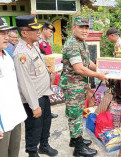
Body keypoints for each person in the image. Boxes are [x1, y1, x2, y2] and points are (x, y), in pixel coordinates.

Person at [59, 17, 107, 157]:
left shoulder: (81, 43)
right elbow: (80, 68)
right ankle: (78, 149)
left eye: (87, 28)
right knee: (75, 116)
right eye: (81, 27)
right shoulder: (72, 44)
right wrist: (98, 75)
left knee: (78, 113)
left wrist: (103, 68)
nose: (85, 30)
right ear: (74, 28)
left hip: (78, 85)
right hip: (73, 86)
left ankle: (75, 140)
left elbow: (87, 62)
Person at [13, 15, 58, 157]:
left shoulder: (32, 46)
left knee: (45, 123)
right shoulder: (21, 53)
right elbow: (24, 82)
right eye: (35, 29)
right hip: (33, 98)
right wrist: (34, 105)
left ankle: (44, 145)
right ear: (24, 33)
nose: (39, 31)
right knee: (34, 127)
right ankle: (32, 152)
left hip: (43, 93)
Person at [0, 16, 27, 157]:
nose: (5, 37)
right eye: (1, 33)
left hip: (15, 116)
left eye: (6, 33)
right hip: (2, 121)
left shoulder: (8, 55)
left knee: (14, 152)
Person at [39, 21, 58, 119]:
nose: (51, 34)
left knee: (48, 91)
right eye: (50, 31)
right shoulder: (38, 41)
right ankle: (43, 113)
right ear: (44, 30)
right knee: (42, 94)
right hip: (42, 72)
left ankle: (47, 112)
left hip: (49, 71)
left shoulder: (47, 42)